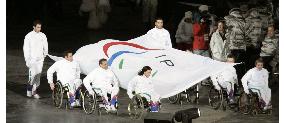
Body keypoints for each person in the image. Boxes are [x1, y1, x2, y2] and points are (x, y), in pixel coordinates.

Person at [23, 20, 48, 99]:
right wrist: (27, 59)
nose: (39, 29)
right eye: (38, 27)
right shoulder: (28, 36)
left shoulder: (43, 35)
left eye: (40, 27)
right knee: (32, 75)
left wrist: (44, 54)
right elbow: (26, 48)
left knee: (38, 75)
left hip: (40, 60)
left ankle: (34, 91)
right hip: (32, 60)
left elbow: (45, 46)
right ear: (34, 27)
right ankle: (29, 89)